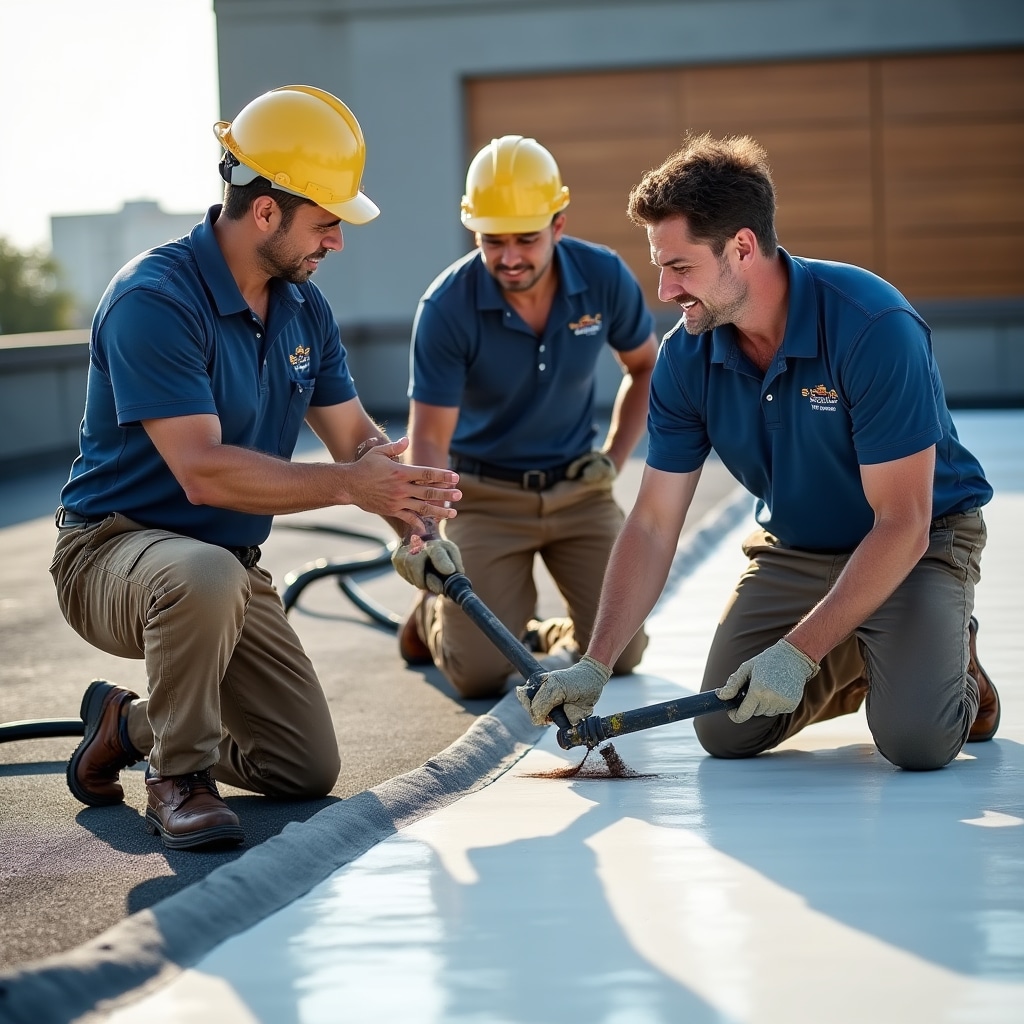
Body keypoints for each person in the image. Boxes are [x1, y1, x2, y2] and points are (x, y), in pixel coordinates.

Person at [51, 85, 461, 851]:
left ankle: (126, 725)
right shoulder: (155, 298)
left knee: (301, 765)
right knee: (200, 572)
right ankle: (177, 779)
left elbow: (352, 437)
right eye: (326, 222)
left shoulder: (302, 306)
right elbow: (201, 473)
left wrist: (405, 496)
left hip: (226, 571)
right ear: (266, 210)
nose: (337, 242)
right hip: (111, 551)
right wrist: (348, 487)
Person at [518, 132, 1000, 771]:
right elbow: (656, 523)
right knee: (727, 732)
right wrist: (597, 662)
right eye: (660, 265)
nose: (663, 290)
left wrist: (798, 654)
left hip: (918, 542)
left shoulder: (872, 327)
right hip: (799, 547)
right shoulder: (687, 355)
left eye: (679, 266)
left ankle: (952, 662)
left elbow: (903, 524)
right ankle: (871, 652)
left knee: (917, 743)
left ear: (742, 247)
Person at [392, 135, 659, 698]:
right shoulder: (447, 307)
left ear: (558, 225)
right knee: (480, 676)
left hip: (578, 491)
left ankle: (533, 629)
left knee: (623, 654)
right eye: (493, 241)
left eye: (526, 239)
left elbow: (645, 367)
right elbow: (430, 438)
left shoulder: (603, 276)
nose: (510, 257)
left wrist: (610, 459)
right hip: (484, 499)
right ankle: (428, 618)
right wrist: (428, 534)